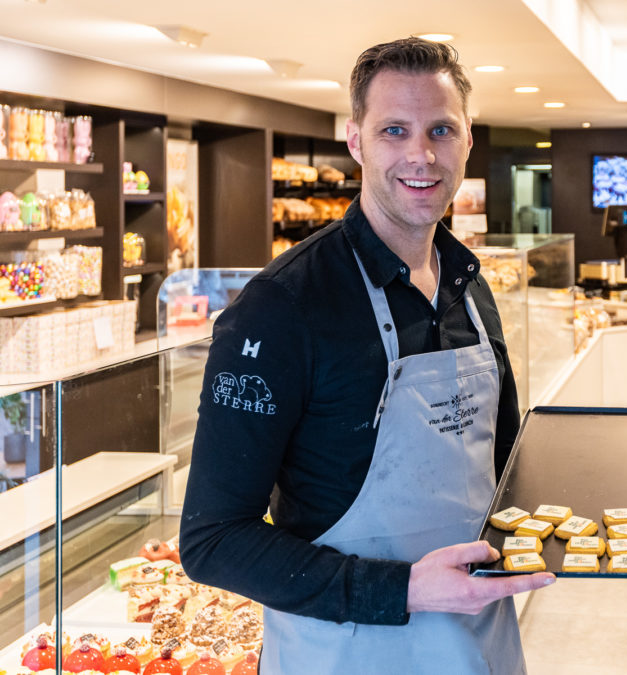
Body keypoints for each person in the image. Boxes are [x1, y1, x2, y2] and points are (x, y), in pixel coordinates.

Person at [179, 38, 554, 674]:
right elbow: (212, 539)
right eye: (394, 130)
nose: (421, 154)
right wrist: (403, 589)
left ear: (467, 141)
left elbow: (507, 469)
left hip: (479, 649)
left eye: (441, 129)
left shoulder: (471, 286)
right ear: (355, 141)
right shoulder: (283, 306)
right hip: (344, 654)